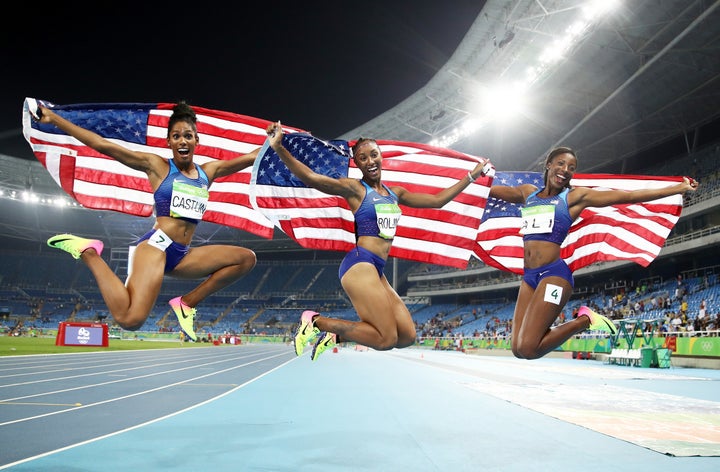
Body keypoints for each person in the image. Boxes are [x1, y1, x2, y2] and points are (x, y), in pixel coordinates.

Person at [266, 121, 494, 361]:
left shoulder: (396, 193)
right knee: (386, 339)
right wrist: (280, 147)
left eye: (373, 155)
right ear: (358, 163)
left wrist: (471, 176)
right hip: (359, 263)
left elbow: (438, 201)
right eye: (363, 158)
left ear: (381, 156)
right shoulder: (355, 189)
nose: (370, 161)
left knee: (406, 336)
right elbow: (312, 178)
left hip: (377, 269)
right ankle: (314, 321)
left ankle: (335, 337)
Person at [33, 101, 259, 341]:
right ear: (169, 142)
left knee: (246, 260)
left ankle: (186, 303)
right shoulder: (158, 167)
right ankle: (89, 252)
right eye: (176, 136)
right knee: (130, 320)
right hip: (156, 246)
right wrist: (55, 119)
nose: (183, 140)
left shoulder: (209, 172)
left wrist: (282, 141)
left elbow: (252, 157)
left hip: (182, 255)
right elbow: (103, 145)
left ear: (196, 140)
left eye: (188, 136)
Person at [487, 146, 698, 359]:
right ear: (548, 164)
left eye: (571, 167)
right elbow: (485, 189)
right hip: (530, 277)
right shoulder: (527, 193)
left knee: (529, 349)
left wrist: (678, 188)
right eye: (560, 163)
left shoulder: (574, 197)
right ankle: (564, 327)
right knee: (517, 349)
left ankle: (585, 320)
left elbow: (629, 196)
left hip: (554, 275)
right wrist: (467, 177)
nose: (565, 169)